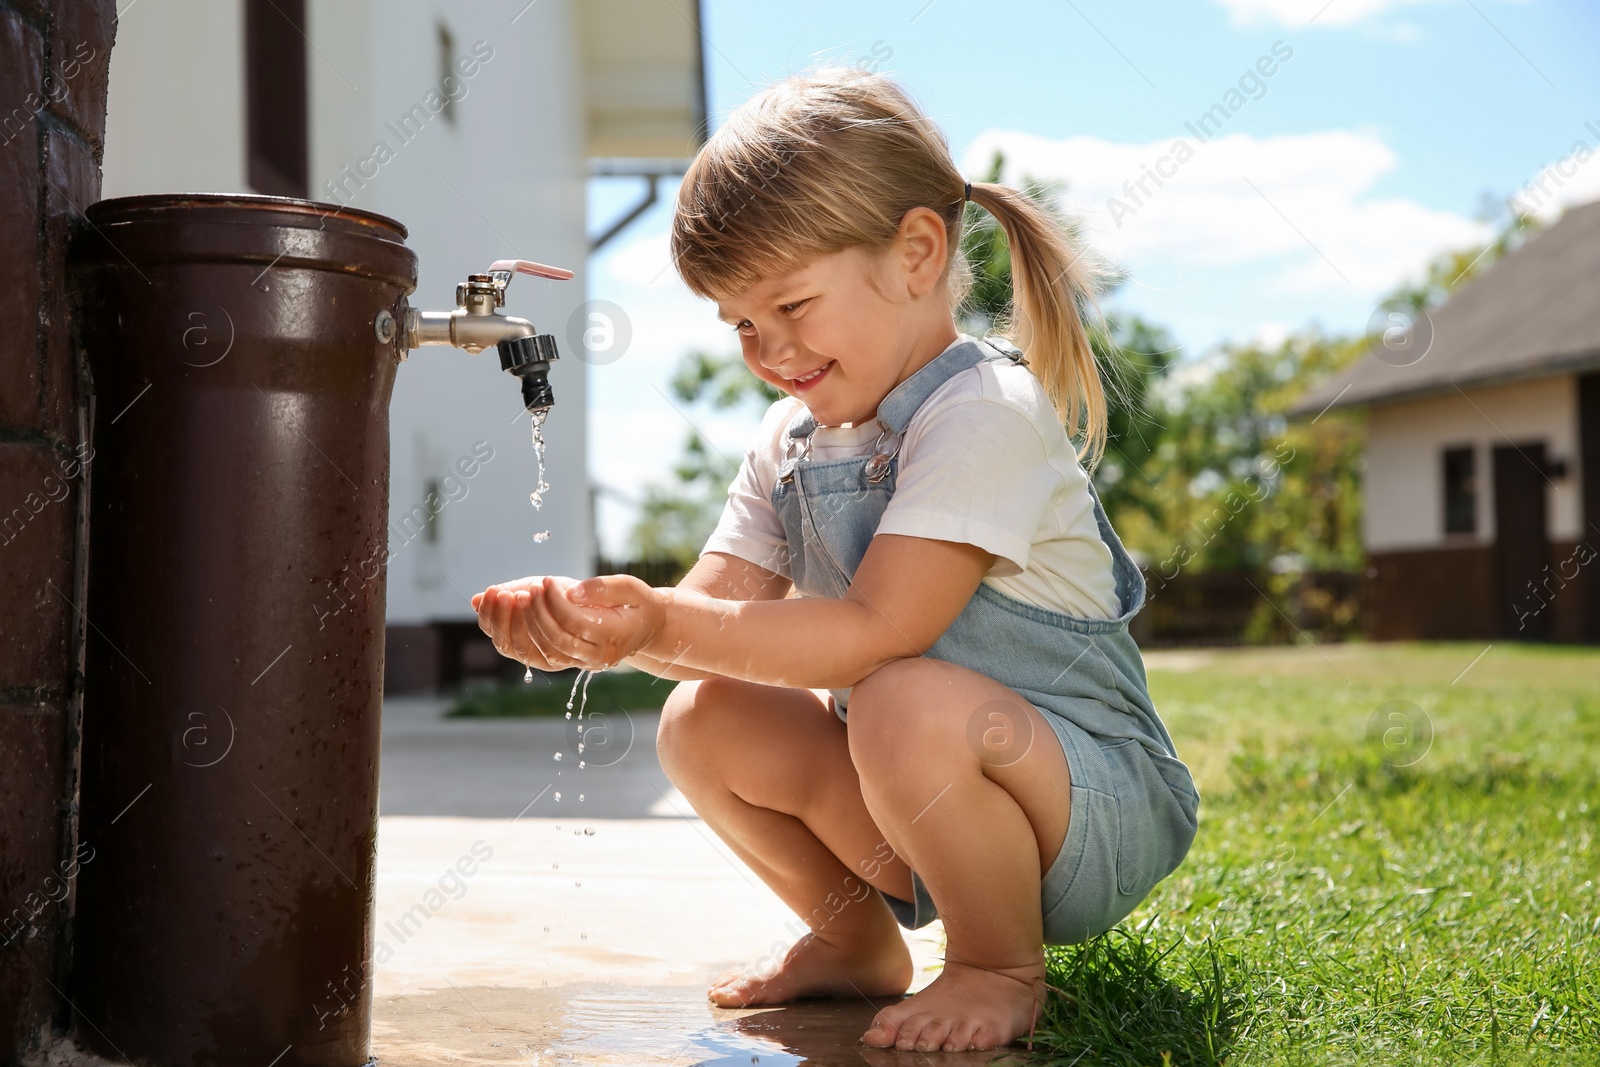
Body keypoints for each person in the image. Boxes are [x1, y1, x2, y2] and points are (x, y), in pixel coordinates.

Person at [471, 66, 1199, 1055]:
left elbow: (878, 630)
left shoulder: (981, 411)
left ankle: (997, 964)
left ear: (914, 253)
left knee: (897, 689)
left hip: (1088, 811)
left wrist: (659, 621)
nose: (767, 349)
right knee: (707, 714)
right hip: (923, 793)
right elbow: (708, 625)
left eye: (792, 305)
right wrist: (605, 626)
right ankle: (855, 940)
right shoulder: (790, 439)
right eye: (739, 322)